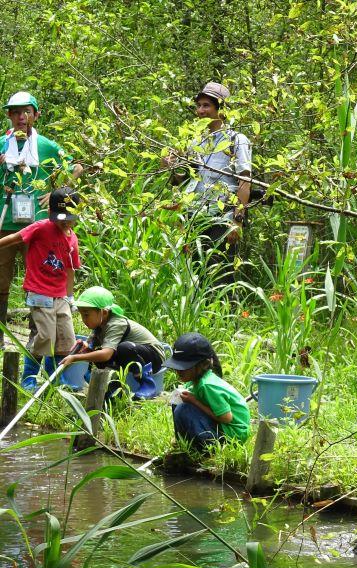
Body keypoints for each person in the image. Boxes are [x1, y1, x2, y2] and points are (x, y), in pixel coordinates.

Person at [0, 91, 83, 326]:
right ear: (9, 116)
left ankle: (36, 334)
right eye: (15, 112)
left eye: (26, 111)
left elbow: (76, 167)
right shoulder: (2, 143)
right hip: (4, 221)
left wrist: (59, 190)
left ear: (36, 115)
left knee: (41, 278)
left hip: (37, 226)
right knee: (0, 280)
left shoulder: (45, 145)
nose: (21, 117)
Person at [164, 82, 251, 286]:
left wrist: (237, 221)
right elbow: (182, 180)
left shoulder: (236, 140)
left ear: (221, 109)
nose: (200, 111)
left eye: (206, 106)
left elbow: (245, 181)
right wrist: (169, 166)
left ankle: (225, 317)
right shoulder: (195, 142)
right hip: (195, 217)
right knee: (196, 274)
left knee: (220, 275)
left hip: (222, 218)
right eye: (199, 106)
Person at [0, 188, 81, 389]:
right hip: (39, 292)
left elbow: (70, 269)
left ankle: (53, 381)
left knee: (65, 338)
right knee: (44, 336)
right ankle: (29, 377)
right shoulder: (40, 228)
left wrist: (70, 297)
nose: (64, 223)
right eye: (60, 219)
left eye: (68, 219)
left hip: (61, 295)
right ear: (49, 214)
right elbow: (14, 238)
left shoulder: (73, 238)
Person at [61, 286, 166, 398]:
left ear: (104, 313)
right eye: (82, 315)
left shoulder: (116, 324)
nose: (84, 319)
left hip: (154, 358)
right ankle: (112, 385)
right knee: (97, 353)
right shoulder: (99, 326)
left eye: (86, 315)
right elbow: (91, 344)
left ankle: (146, 384)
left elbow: (106, 355)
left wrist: (76, 358)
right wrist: (85, 348)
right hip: (135, 356)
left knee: (122, 348)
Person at [163, 332, 250, 452]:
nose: (178, 371)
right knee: (178, 400)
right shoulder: (195, 381)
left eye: (183, 367)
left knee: (184, 409)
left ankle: (207, 451)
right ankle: (183, 443)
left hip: (232, 437)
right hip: (222, 428)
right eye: (177, 366)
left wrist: (194, 401)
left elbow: (226, 418)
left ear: (202, 365)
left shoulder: (208, 385)